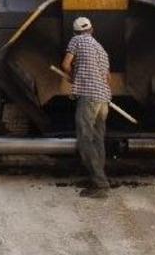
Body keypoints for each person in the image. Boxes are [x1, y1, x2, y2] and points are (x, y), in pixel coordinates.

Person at [61, 17, 111, 199]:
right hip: (104, 98)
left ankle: (100, 184)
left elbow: (66, 64)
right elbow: (107, 78)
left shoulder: (76, 41)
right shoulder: (101, 49)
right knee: (98, 139)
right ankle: (98, 178)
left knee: (85, 139)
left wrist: (73, 76)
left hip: (89, 97)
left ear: (75, 32)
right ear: (92, 29)